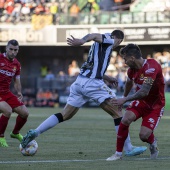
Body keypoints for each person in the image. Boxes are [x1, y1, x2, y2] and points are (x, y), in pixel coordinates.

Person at [21, 30, 146, 158]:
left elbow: (94, 67)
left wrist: (107, 77)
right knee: (117, 111)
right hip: (92, 84)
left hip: (80, 82)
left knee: (65, 115)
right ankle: (128, 148)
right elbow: (93, 35)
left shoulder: (98, 47)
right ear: (119, 40)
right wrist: (82, 40)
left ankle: (35, 132)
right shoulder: (110, 39)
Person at [107, 43, 165, 161]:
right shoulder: (131, 71)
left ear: (132, 58)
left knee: (143, 136)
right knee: (125, 119)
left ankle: (153, 142)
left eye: (125, 58)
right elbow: (129, 83)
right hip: (140, 102)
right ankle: (118, 154)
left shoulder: (151, 66)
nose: (124, 61)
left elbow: (144, 92)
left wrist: (124, 99)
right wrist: (124, 96)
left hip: (155, 106)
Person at [0, 39, 29, 147]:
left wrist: (19, 92)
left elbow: (17, 81)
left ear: (18, 50)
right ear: (6, 48)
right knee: (7, 110)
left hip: (6, 93)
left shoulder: (17, 64)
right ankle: (0, 136)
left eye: (15, 50)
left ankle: (15, 133)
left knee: (25, 113)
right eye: (11, 49)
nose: (13, 52)